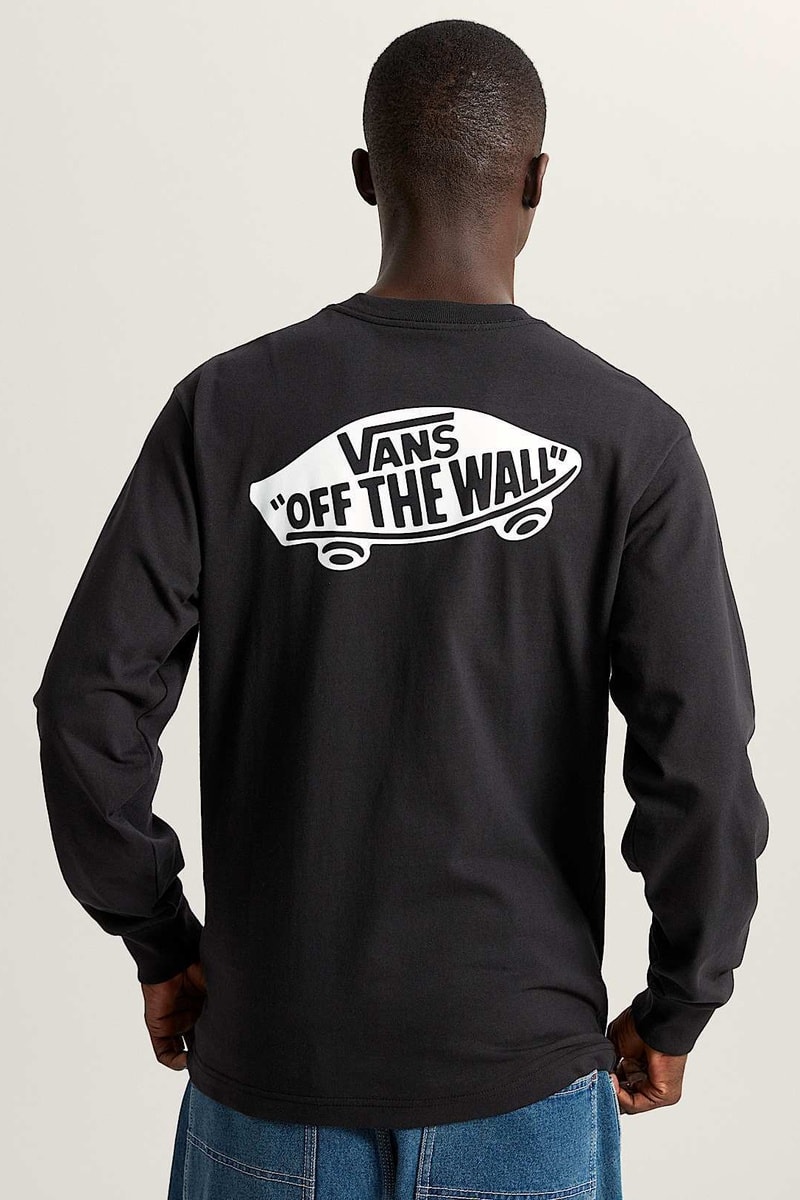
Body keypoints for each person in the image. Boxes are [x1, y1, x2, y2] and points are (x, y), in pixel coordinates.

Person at [32, 18, 769, 1200]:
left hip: (268, 1072)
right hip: (519, 1077)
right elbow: (701, 765)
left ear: (366, 175)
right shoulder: (628, 437)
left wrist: (161, 941)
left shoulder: (226, 411)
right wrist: (681, 999)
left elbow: (85, 707)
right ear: (536, 181)